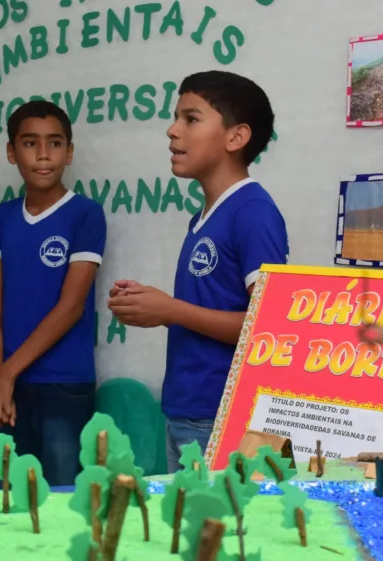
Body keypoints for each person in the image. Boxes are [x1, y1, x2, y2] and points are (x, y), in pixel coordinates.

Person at [107, 71, 288, 473]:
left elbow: (268, 329)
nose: (172, 131)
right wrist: (151, 306)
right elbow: (209, 310)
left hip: (222, 419)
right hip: (186, 413)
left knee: (213, 533)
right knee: (188, 533)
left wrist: (172, 311)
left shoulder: (253, 213)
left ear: (235, 137)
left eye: (191, 119)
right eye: (176, 118)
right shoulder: (205, 216)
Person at [0, 101, 106, 487]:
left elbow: (70, 308)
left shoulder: (85, 214)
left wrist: (6, 374)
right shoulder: (1, 217)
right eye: (30, 143)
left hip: (63, 384)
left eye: (54, 143)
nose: (43, 154)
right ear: (11, 152)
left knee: (62, 500)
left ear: (69, 151)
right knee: (7, 497)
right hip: (8, 386)